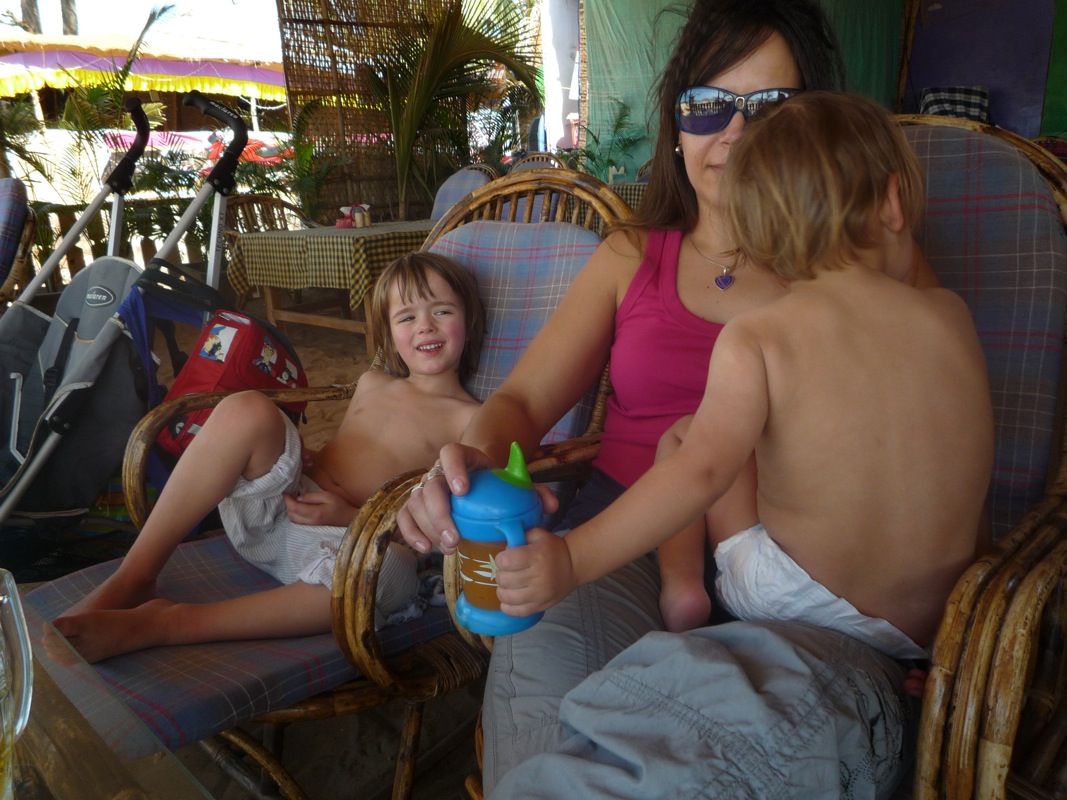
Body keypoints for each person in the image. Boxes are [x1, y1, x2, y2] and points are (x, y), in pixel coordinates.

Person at [398, 0, 938, 791]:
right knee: (548, 733)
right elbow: (522, 404)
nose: (734, 134)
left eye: (770, 108)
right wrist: (467, 463)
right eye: (707, 105)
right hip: (616, 543)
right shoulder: (631, 256)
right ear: (675, 124)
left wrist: (916, 619)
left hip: (806, 580)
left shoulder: (858, 262)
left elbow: (927, 434)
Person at [489, 89, 993, 797]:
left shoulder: (759, 336)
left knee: (689, 437)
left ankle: (681, 586)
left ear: (756, 231)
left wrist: (571, 559)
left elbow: (699, 474)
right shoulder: (951, 316)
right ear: (891, 203)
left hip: (793, 599)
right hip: (930, 625)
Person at [54, 251, 486, 664]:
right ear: (389, 334)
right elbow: (348, 449)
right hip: (275, 509)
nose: (425, 326)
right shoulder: (373, 381)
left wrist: (352, 517)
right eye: (407, 317)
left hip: (346, 546)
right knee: (249, 408)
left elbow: (439, 526)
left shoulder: (472, 419)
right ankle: (137, 574)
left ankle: (170, 623)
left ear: (468, 320)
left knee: (391, 573)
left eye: (441, 311)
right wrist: (305, 458)